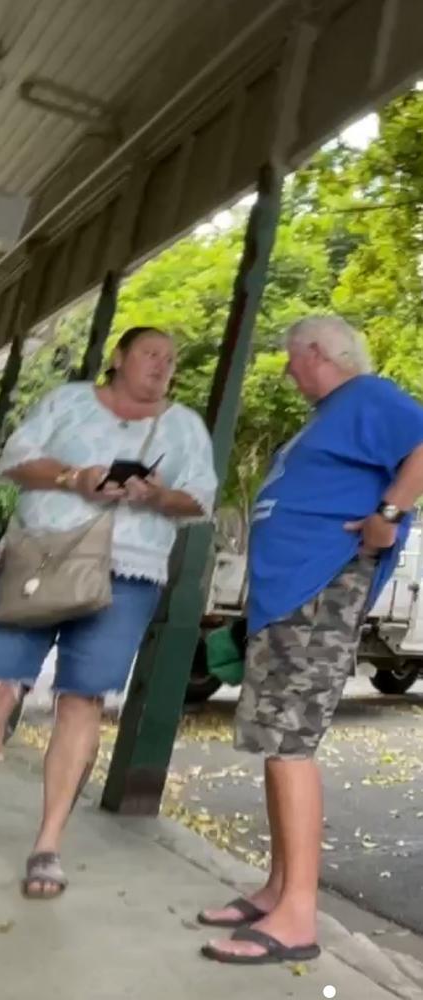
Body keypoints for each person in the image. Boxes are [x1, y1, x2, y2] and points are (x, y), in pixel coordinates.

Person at [0, 325, 217, 898]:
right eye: (151, 353)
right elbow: (17, 459)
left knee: (81, 703)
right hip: (39, 562)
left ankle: (48, 846)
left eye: (171, 359)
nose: (163, 365)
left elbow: (201, 497)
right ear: (119, 358)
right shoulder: (68, 401)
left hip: (126, 577)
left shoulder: (184, 426)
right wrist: (73, 477)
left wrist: (155, 495)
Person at [198, 316, 423, 965]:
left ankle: (297, 913)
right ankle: (277, 890)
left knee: (290, 742)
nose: (289, 372)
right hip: (286, 597)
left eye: (292, 360)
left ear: (319, 353)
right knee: (275, 740)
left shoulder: (370, 397)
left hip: (320, 588)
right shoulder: (328, 416)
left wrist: (388, 515)